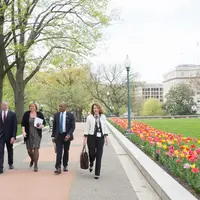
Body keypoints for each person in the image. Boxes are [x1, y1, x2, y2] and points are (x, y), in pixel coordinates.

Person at [83, 103, 109, 179]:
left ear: (99, 109)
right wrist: (84, 139)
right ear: (92, 109)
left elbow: (105, 127)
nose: (95, 109)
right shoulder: (89, 117)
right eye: (94, 108)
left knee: (99, 155)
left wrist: (106, 137)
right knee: (92, 153)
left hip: (100, 138)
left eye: (97, 108)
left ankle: (97, 173)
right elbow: (86, 128)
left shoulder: (103, 117)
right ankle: (91, 162)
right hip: (91, 137)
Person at [51, 102, 75, 175]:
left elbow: (72, 127)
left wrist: (69, 134)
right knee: (59, 151)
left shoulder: (70, 115)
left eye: (61, 106)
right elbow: (54, 126)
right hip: (59, 136)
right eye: (59, 106)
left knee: (66, 151)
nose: (59, 107)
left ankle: (65, 165)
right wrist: (53, 136)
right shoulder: (56, 115)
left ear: (65, 107)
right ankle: (58, 167)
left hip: (67, 135)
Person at [21, 101, 46, 172]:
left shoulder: (39, 114)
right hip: (28, 133)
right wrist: (23, 131)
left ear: (36, 107)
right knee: (29, 150)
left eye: (33, 106)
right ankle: (32, 159)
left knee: (36, 148)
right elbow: (23, 124)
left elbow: (44, 122)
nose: (31, 107)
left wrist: (42, 126)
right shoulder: (26, 114)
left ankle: (36, 165)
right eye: (30, 106)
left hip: (37, 133)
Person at [0, 101, 17, 174]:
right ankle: (1, 167)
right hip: (1, 136)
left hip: (9, 136)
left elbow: (15, 126)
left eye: (6, 105)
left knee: (10, 150)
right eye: (4, 105)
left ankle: (10, 163)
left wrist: (13, 136)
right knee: (0, 151)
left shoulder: (12, 114)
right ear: (1, 106)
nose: (5, 106)